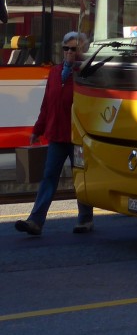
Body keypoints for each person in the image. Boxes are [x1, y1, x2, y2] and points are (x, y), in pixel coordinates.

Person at [15, 31, 94, 236]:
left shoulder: (85, 73)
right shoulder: (55, 72)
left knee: (80, 179)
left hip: (77, 137)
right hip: (57, 136)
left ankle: (85, 219)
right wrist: (38, 130)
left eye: (73, 49)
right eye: (66, 48)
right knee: (49, 176)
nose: (69, 52)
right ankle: (36, 221)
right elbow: (46, 105)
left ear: (81, 50)